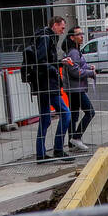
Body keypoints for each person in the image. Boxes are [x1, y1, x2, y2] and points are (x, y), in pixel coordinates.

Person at [33, 15, 72, 161]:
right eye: (62, 28)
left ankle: (41, 154)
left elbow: (46, 60)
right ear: (54, 25)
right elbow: (41, 62)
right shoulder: (46, 38)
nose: (62, 31)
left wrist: (60, 62)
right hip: (48, 84)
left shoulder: (46, 37)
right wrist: (56, 67)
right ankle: (58, 149)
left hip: (44, 84)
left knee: (45, 119)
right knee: (66, 113)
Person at [62, 26, 96, 152]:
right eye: (79, 34)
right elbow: (75, 72)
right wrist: (90, 73)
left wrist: (88, 67)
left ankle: (72, 143)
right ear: (72, 37)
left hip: (74, 89)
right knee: (90, 112)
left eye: (82, 33)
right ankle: (76, 137)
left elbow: (79, 66)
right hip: (76, 89)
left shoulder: (75, 51)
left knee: (74, 115)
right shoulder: (74, 52)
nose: (82, 36)